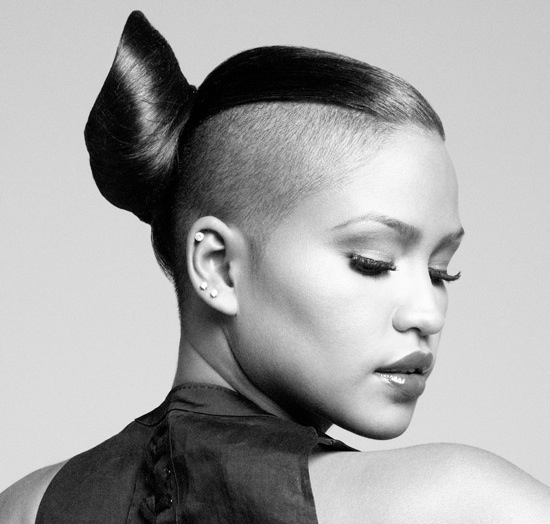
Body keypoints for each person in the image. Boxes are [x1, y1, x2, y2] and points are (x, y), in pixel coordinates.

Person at [1, 10, 549, 523]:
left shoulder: (26, 507)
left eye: (441, 271)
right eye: (373, 262)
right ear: (218, 266)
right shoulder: (459, 501)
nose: (427, 314)